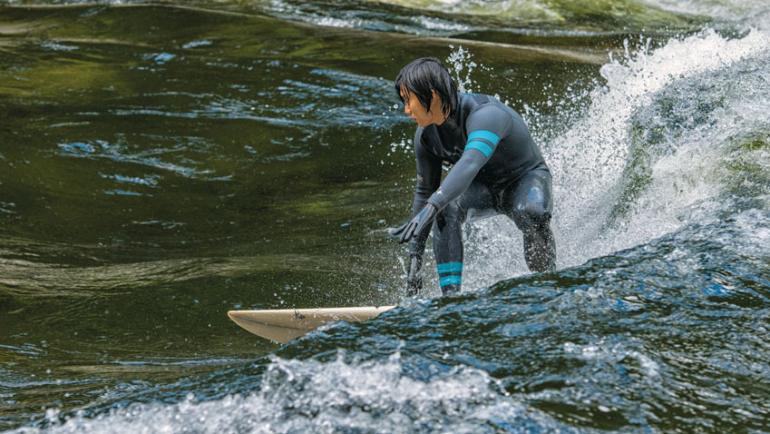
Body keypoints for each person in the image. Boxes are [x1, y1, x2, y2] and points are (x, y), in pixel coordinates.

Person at [390, 57, 556, 296]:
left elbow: (470, 162)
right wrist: (415, 255)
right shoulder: (425, 138)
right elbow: (425, 192)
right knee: (446, 208)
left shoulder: (486, 114)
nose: (406, 110)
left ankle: (549, 283)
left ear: (432, 94)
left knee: (530, 212)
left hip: (524, 179)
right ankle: (451, 298)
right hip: (483, 189)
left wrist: (433, 204)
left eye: (409, 101)